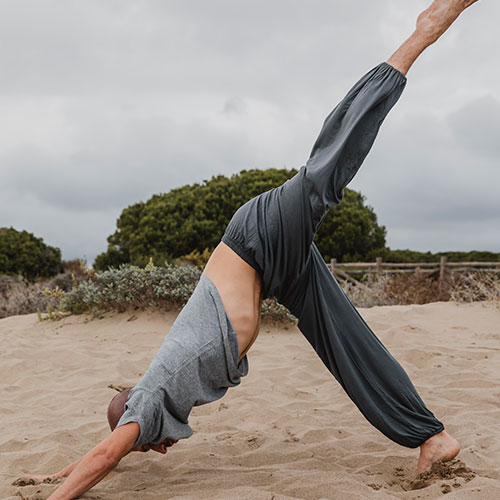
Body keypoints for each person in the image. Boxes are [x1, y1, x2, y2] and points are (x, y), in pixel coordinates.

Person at [27, 1, 479, 498]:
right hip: (276, 275)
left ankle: (424, 32)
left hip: (258, 239)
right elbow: (107, 447)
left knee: (326, 166)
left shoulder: (153, 397)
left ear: (139, 417)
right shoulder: (156, 396)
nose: (154, 450)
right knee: (345, 345)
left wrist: (58, 494)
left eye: (144, 444)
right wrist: (55, 472)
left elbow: (107, 453)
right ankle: (431, 437)